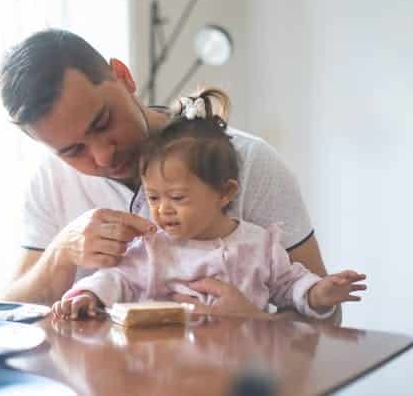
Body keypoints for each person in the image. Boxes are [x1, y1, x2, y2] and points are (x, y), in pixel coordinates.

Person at [0, 28, 338, 322]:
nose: (103, 155)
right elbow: (9, 317)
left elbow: (329, 315)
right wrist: (62, 252)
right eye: (73, 151)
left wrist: (259, 322)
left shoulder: (247, 161)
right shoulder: (51, 181)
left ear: (123, 76)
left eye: (103, 122)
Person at [51, 95, 366, 320]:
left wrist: (319, 293)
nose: (163, 210)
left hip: (242, 374)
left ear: (224, 192)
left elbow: (291, 285)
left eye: (177, 197)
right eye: (154, 197)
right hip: (166, 371)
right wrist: (86, 295)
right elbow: (117, 279)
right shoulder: (152, 247)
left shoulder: (259, 245)